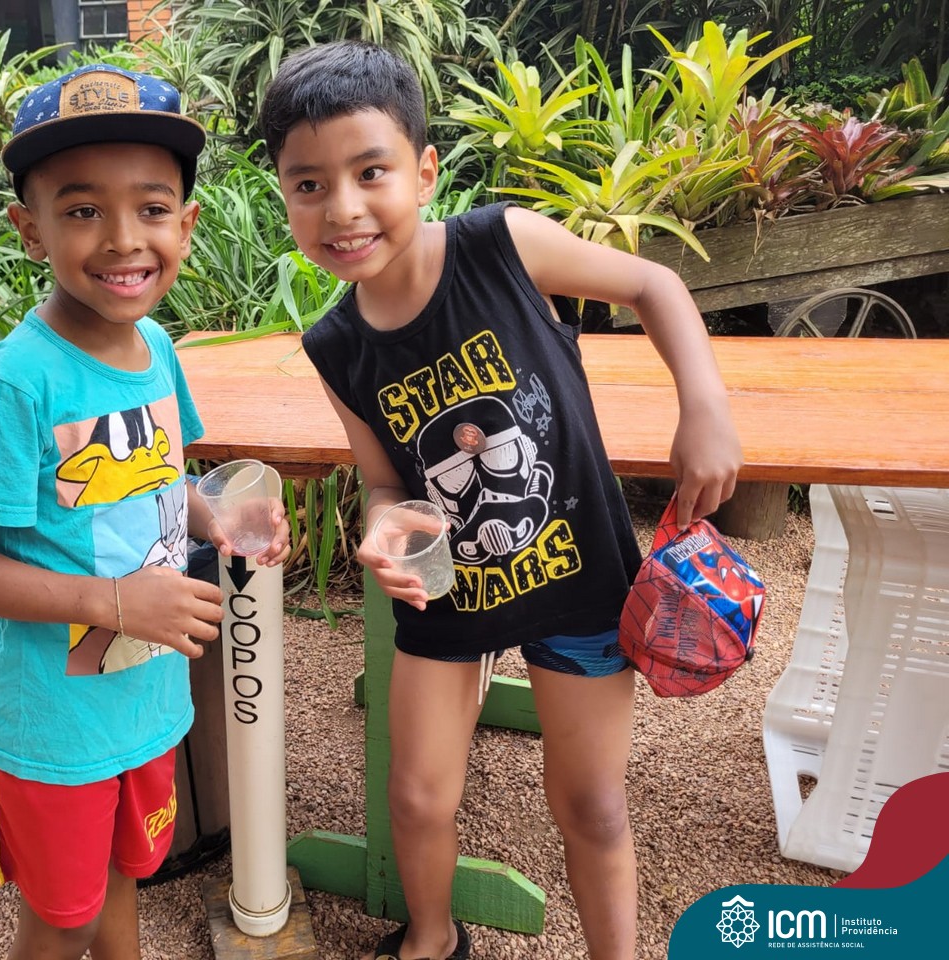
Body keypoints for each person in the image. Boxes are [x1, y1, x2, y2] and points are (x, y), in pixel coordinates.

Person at [257, 41, 742, 960]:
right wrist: (384, 525)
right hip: (452, 591)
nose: (343, 207)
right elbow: (385, 479)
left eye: (370, 172)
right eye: (309, 185)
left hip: (580, 578)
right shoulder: (336, 346)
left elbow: (653, 283)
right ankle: (432, 939)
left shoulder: (498, 245)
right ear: (285, 196)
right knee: (416, 797)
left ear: (424, 170)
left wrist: (705, 406)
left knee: (592, 804)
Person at [0, 63, 289, 960]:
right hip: (51, 724)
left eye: (151, 208)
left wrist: (210, 516)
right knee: (63, 916)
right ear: (30, 230)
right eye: (82, 210)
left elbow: (158, 479)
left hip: (141, 701)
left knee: (124, 873)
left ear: (185, 224)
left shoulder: (155, 346)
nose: (123, 239)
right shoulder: (15, 385)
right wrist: (113, 603)